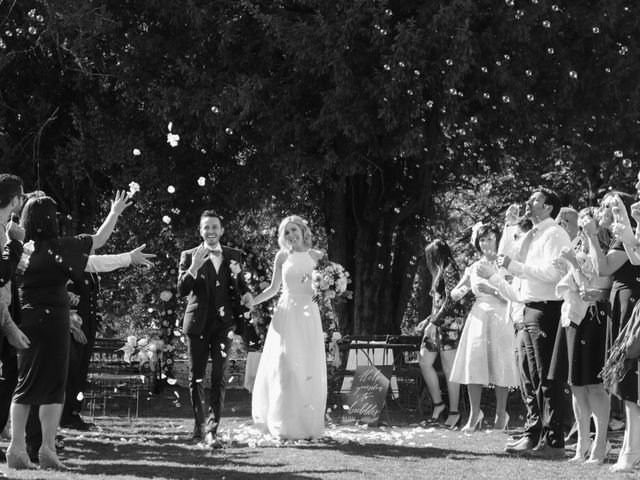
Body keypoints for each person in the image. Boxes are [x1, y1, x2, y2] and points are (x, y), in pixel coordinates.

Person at [6, 191, 131, 470]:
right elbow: (99, 240)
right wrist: (114, 213)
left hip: (25, 320)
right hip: (55, 321)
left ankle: (16, 446)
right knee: (53, 386)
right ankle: (48, 448)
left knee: (24, 384)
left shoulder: (19, 248)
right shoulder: (62, 246)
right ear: (53, 220)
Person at [493, 188, 571, 457]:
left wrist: (517, 268)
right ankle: (533, 432)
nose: (528, 201)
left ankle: (554, 441)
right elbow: (505, 258)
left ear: (549, 207)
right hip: (528, 308)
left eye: (535, 199)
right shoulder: (532, 233)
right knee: (530, 376)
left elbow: (553, 273)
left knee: (547, 377)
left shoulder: (555, 233)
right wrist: (510, 225)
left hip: (547, 309)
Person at [177, 211, 252, 448]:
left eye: (214, 227)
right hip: (197, 324)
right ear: (200, 231)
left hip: (224, 326)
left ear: (221, 230)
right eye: (206, 227)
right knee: (195, 377)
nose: (210, 231)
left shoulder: (233, 255)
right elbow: (181, 289)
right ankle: (199, 424)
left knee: (219, 377)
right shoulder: (189, 255)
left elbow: (241, 285)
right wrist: (194, 268)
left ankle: (212, 431)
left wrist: (248, 293)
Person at [61, 245, 155, 430]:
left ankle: (74, 413)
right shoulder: (75, 268)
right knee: (72, 372)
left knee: (80, 372)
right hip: (76, 328)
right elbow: (69, 298)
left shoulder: (93, 270)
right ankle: (67, 416)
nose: (92, 252)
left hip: (88, 327)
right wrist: (73, 327)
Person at [250, 215, 327, 439]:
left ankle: (306, 424)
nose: (291, 235)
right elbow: (274, 288)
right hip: (286, 313)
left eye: (294, 230)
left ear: (303, 230)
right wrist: (252, 302)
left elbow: (325, 289)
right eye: (286, 233)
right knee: (284, 364)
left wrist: (331, 287)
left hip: (309, 313)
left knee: (307, 366)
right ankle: (282, 423)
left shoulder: (318, 256)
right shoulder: (282, 256)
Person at [551, 207, 612, 464]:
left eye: (589, 222)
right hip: (573, 317)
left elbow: (597, 287)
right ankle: (582, 444)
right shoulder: (582, 247)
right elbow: (575, 282)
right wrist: (567, 265)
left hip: (594, 319)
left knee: (594, 385)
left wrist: (573, 264)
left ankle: (600, 445)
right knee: (575, 385)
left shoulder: (605, 250)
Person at [449, 223, 519, 432]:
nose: (485, 243)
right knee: (474, 363)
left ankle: (500, 414)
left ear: (498, 240)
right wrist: (459, 291)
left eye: (489, 238)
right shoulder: (474, 266)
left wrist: (492, 288)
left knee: (501, 362)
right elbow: (456, 290)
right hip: (479, 316)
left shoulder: (504, 264)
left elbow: (513, 296)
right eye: (482, 239)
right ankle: (474, 413)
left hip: (500, 314)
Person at [590, 189, 640, 472]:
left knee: (632, 381)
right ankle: (629, 449)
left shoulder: (628, 232)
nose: (606, 209)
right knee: (627, 381)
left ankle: (631, 450)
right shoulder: (624, 233)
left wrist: (591, 236)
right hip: (623, 306)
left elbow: (605, 267)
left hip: (633, 304)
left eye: (613, 205)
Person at [417, 239, 465, 428]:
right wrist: (429, 319)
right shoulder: (440, 272)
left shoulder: (450, 268)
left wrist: (434, 322)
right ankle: (439, 405)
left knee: (449, 369)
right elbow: (440, 302)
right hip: (437, 324)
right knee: (424, 361)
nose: (428, 261)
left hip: (449, 325)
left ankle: (454, 413)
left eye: (430, 257)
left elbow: (452, 300)